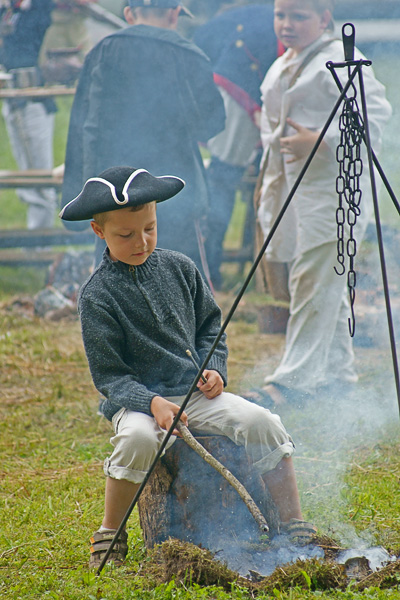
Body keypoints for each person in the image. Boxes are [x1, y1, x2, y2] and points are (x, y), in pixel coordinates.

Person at [60, 165, 316, 568]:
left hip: (194, 394)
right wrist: (153, 402)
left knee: (262, 421)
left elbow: (210, 327)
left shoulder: (180, 267)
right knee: (139, 442)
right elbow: (110, 377)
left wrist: (213, 368)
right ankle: (110, 532)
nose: (141, 242)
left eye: (149, 228)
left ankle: (293, 521)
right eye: (125, 235)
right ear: (99, 231)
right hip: (139, 403)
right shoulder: (97, 296)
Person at [251, 0, 391, 407]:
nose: (287, 24)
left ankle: (292, 381)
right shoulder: (283, 64)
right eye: (281, 15)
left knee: (314, 280)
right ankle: (337, 374)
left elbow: (374, 116)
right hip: (295, 192)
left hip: (335, 193)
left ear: (324, 18)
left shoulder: (341, 61)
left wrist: (324, 141)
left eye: (299, 16)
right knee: (319, 279)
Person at [60, 0, 226, 279]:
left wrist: (79, 195)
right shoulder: (190, 54)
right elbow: (210, 124)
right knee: (181, 274)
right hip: (175, 187)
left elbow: (84, 126)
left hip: (112, 190)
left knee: (114, 275)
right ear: (174, 13)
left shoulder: (102, 51)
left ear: (128, 13)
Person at [194, 2, 279, 290]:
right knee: (223, 177)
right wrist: (256, 105)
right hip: (236, 93)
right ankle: (208, 270)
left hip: (238, 91)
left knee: (227, 175)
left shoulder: (264, 13)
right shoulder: (268, 15)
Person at [0, 0, 58, 230]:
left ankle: (39, 242)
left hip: (33, 100)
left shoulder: (41, 8)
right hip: (14, 97)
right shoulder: (9, 9)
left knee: (39, 177)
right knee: (29, 170)